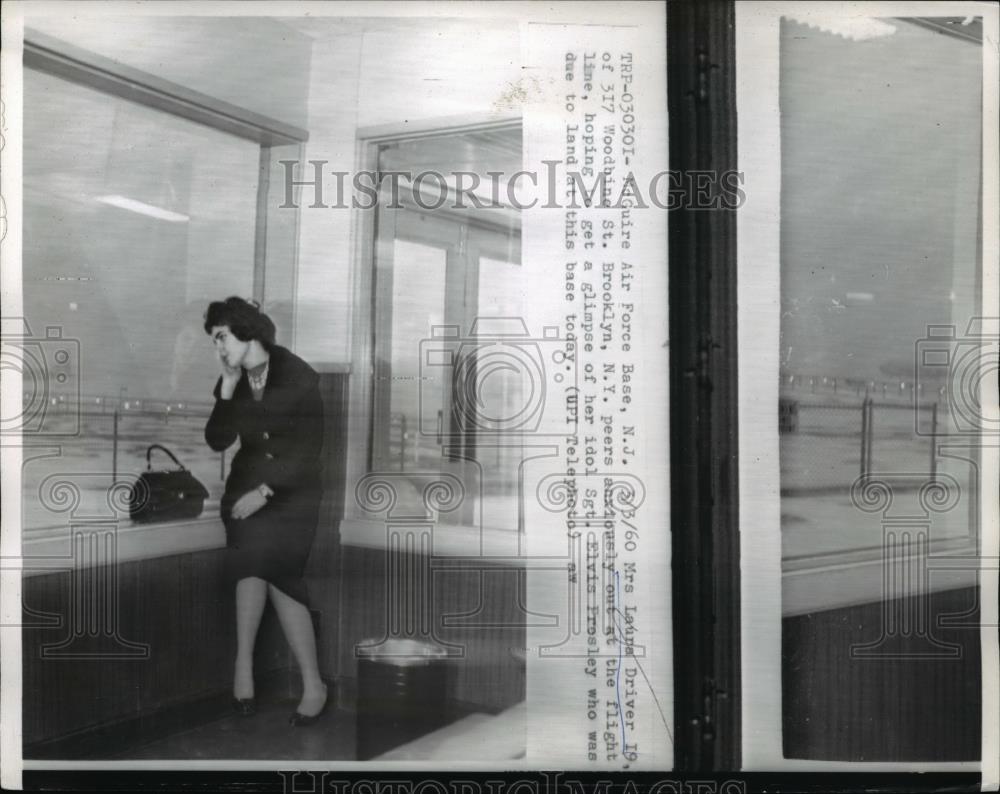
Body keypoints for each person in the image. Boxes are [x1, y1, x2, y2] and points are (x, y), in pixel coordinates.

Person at [203, 297, 328, 726]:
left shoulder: (298, 375)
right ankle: (244, 671)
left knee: (279, 578)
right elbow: (218, 440)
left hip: (291, 494)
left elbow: (308, 450)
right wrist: (226, 384)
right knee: (249, 568)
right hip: (244, 491)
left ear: (247, 331)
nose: (219, 347)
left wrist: (266, 490)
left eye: (222, 337)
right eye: (214, 341)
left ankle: (313, 684)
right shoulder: (236, 376)